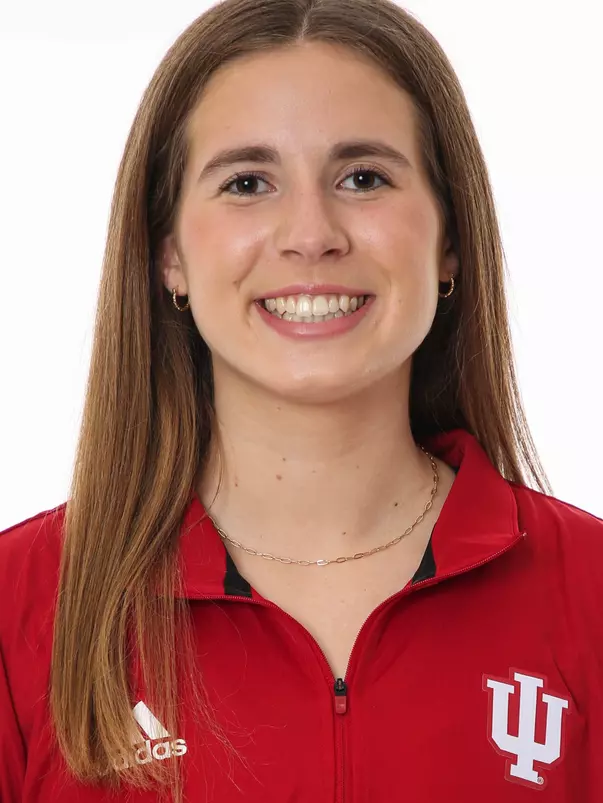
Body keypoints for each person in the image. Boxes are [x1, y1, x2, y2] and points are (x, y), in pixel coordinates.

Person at [1, 0, 602, 800]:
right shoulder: (20, 609)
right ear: (169, 254)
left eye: (363, 177)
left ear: (448, 240)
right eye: (247, 183)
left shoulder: (588, 593)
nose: (310, 233)